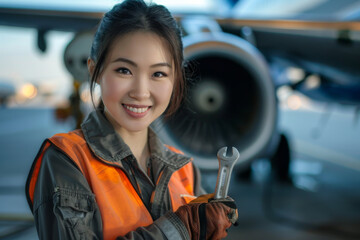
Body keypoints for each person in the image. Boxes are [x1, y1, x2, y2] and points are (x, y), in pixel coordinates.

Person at [25, 0, 238, 239]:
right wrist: (179, 228)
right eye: (124, 70)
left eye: (158, 73)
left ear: (176, 79)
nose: (140, 91)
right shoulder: (67, 160)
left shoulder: (185, 170)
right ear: (95, 71)